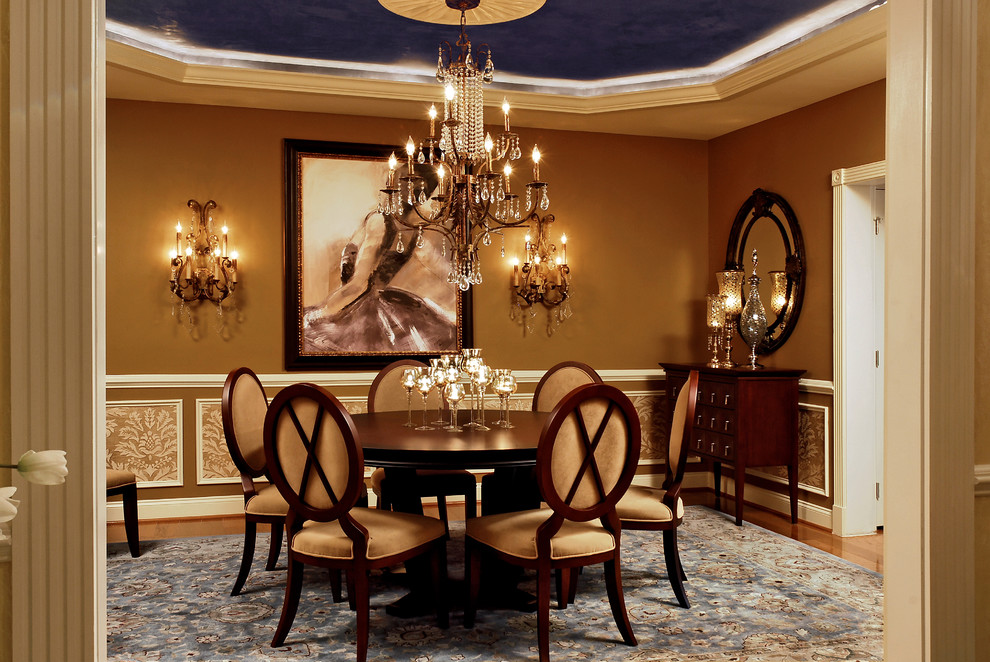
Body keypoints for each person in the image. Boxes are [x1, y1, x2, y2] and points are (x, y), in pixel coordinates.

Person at [303, 167, 456, 354]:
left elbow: (359, 285)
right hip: (369, 308)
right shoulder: (405, 229)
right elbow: (444, 270)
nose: (438, 205)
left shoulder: (387, 223)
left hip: (360, 312)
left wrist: (319, 314)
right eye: (435, 197)